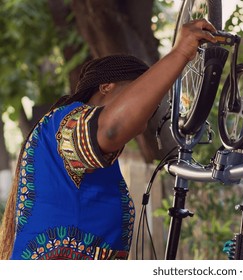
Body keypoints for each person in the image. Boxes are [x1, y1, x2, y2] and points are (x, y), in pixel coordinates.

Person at [0, 19, 217, 260]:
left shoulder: (102, 167)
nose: (143, 119)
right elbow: (112, 129)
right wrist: (180, 53)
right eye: (138, 96)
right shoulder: (63, 124)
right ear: (106, 86)